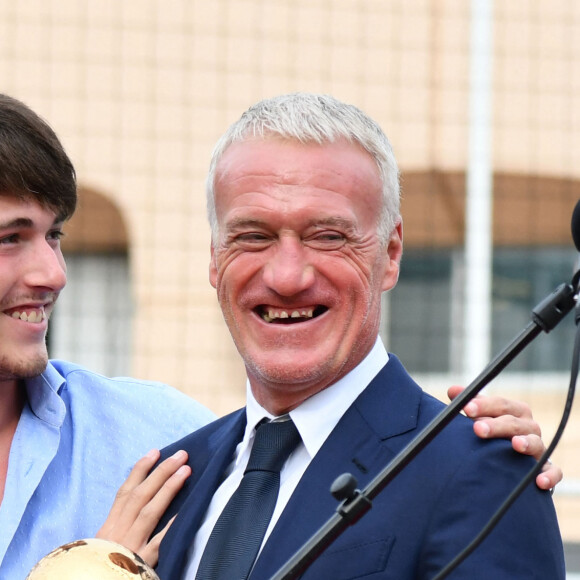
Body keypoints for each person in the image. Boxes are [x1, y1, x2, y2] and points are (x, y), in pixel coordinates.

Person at [0, 92, 560, 579]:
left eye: (327, 236)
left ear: (390, 254)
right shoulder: (174, 472)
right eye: (253, 236)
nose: (287, 275)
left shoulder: (479, 469)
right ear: (215, 259)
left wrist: (488, 464)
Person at [0, 93, 217, 580]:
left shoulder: (164, 440)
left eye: (54, 235)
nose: (53, 274)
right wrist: (97, 569)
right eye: (9, 239)